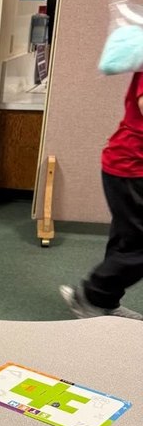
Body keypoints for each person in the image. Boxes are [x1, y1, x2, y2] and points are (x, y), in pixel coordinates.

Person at [60, 69, 143, 320]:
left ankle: (104, 302)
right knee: (138, 243)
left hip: (129, 166)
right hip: (131, 167)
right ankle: (91, 295)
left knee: (127, 240)